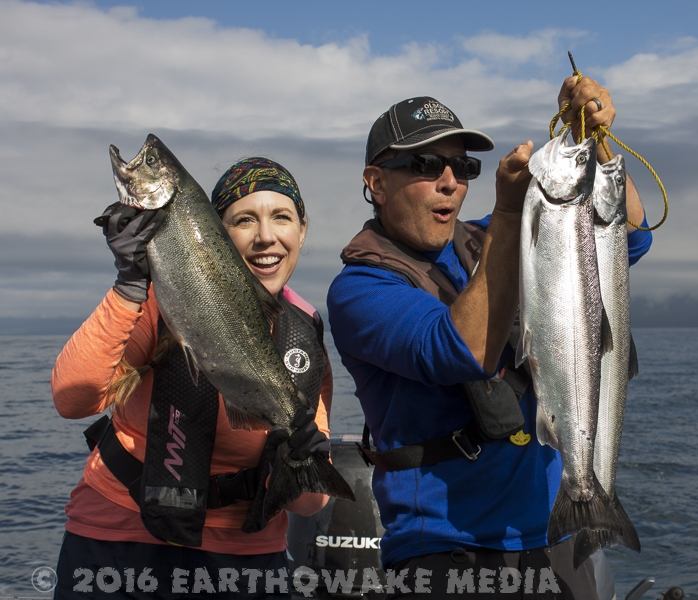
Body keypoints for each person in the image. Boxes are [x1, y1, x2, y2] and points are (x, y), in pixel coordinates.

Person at [327, 78, 653, 599]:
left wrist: (592, 138)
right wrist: (507, 212)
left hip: (556, 538)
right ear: (377, 182)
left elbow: (629, 236)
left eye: (465, 168)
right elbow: (463, 349)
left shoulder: (485, 241)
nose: (451, 181)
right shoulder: (361, 289)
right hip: (444, 552)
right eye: (427, 166)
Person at [51, 157, 333, 599]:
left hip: (246, 555)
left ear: (302, 231)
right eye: (244, 220)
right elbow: (72, 398)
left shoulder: (303, 338)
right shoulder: (160, 301)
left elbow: (310, 503)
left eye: (281, 217)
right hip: (120, 538)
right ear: (217, 236)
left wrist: (303, 458)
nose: (265, 237)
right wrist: (128, 284)